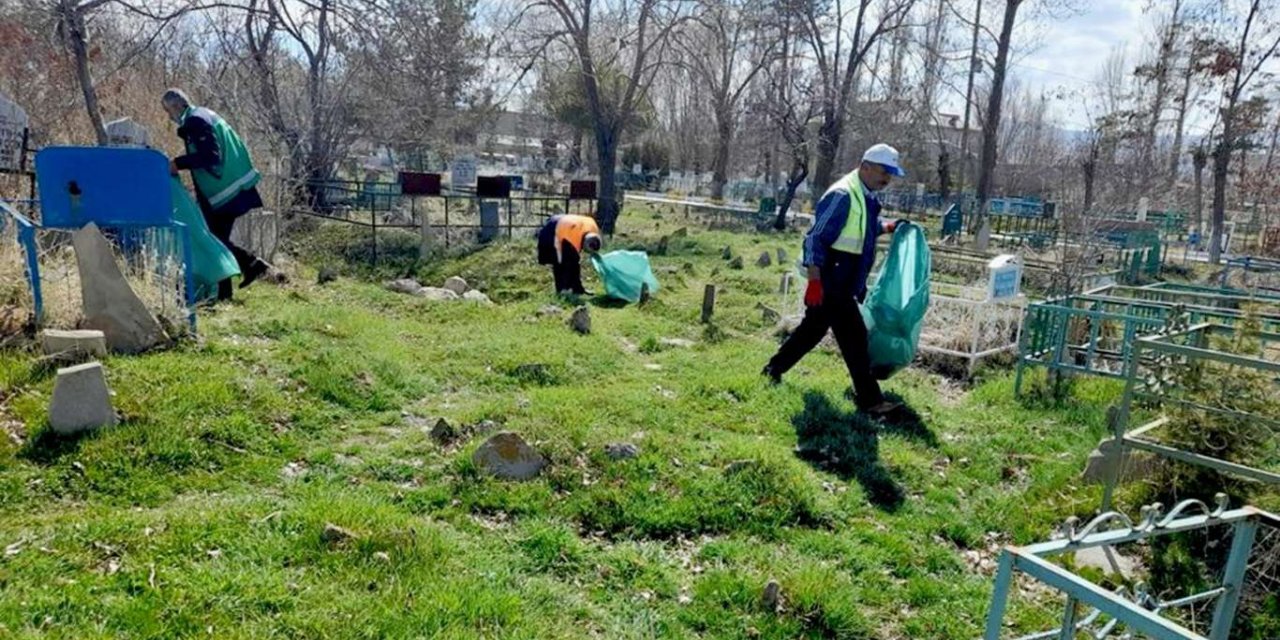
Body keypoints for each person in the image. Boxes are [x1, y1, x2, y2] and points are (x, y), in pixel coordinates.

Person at [762, 143, 905, 416]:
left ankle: (772, 370)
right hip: (832, 275)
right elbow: (816, 238)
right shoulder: (843, 194)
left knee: (812, 330)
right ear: (865, 167)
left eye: (891, 174)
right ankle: (871, 400)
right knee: (855, 337)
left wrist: (886, 227)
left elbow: (861, 229)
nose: (887, 179)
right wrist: (815, 280)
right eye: (883, 171)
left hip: (844, 275)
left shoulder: (865, 195)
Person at [162, 89, 270, 300]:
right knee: (216, 237)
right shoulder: (203, 115)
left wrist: (178, 163)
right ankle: (229, 287)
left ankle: (250, 266)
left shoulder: (195, 121)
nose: (169, 117)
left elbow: (210, 155)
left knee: (214, 239)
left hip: (225, 189)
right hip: (232, 185)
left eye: (168, 111)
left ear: (176, 106)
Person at [537, 213, 603, 295]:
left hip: (566, 225)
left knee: (574, 262)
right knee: (559, 262)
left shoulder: (593, 228)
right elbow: (560, 252)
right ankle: (561, 290)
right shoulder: (573, 238)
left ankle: (577, 289)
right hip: (552, 229)